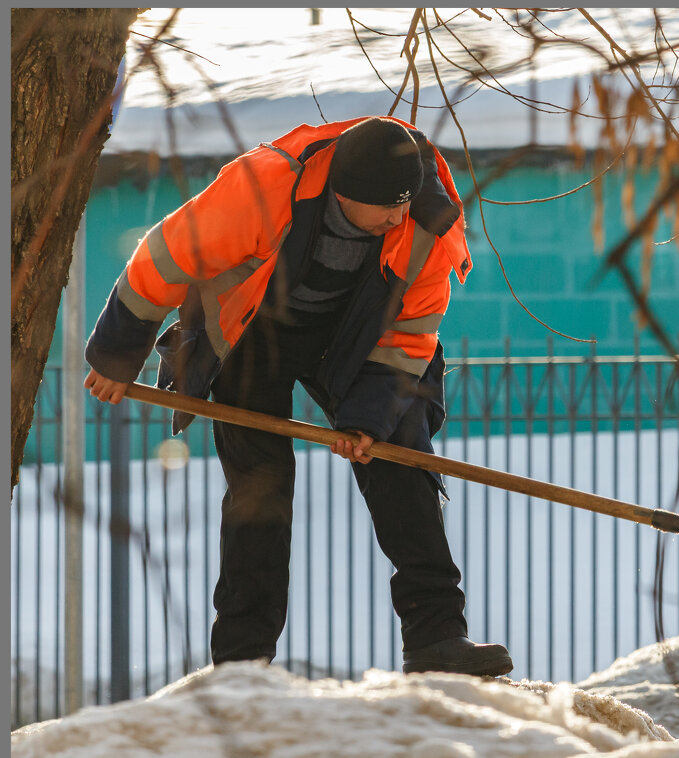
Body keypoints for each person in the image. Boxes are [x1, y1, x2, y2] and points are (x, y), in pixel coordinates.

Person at [83, 116, 512, 677]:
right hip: (253, 331)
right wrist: (116, 358)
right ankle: (243, 659)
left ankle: (437, 638)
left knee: (402, 463)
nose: (398, 217)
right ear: (343, 192)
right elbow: (164, 259)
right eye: (386, 207)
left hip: (359, 339)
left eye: (405, 204)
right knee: (258, 487)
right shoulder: (262, 188)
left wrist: (368, 422)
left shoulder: (428, 225)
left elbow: (410, 335)